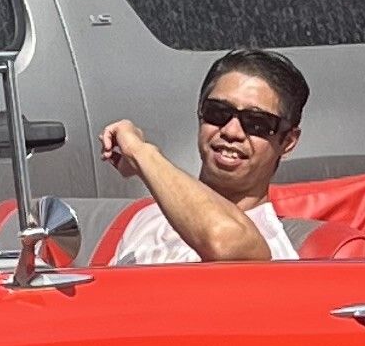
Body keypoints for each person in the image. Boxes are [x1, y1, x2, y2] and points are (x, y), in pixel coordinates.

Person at [99, 49, 310, 265]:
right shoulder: (148, 219)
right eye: (217, 112)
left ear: (288, 142)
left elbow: (225, 241)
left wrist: (141, 153)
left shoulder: (270, 244)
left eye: (256, 123)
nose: (231, 131)